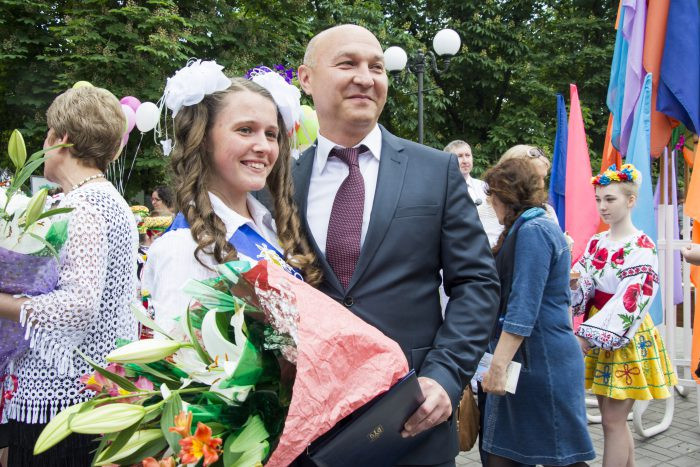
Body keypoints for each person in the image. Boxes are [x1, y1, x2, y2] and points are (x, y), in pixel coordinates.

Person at [295, 24, 500, 466]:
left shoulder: (435, 171)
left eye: (377, 67)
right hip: (310, 431)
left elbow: (477, 283)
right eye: (347, 63)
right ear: (306, 78)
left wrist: (445, 375)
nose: (366, 78)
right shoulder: (279, 182)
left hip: (414, 421)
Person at [0, 86, 139, 466]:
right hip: (91, 395)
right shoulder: (108, 201)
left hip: (62, 402)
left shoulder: (82, 205)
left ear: (61, 139)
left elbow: (78, 306)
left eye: (48, 133)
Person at [142, 62, 320, 338]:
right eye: (245, 130)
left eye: (270, 134)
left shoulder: (267, 226)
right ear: (203, 138)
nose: (263, 146)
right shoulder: (183, 247)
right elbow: (183, 358)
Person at [480, 158, 594, 467]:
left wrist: (498, 365)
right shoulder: (529, 227)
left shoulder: (534, 230)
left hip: (542, 363)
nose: (490, 203)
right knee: (505, 455)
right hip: (528, 361)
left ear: (505, 195)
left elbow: (523, 307)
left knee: (561, 458)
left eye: (492, 195)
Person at [571, 164, 677, 467]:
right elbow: (586, 279)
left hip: (625, 336)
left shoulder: (642, 245)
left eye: (610, 199)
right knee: (612, 420)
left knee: (612, 421)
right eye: (598, 199)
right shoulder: (597, 241)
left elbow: (633, 298)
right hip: (598, 330)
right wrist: (576, 282)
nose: (602, 206)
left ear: (631, 201)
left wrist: (586, 336)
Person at [478, 145, 559, 247]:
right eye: (535, 178)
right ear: (509, 176)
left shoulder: (547, 212)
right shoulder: (478, 215)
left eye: (543, 178)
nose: (541, 185)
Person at [444, 140, 486, 205]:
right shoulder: (442, 190)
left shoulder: (483, 187)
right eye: (459, 156)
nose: (465, 161)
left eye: (467, 155)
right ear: (448, 160)